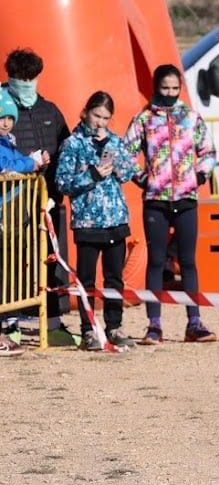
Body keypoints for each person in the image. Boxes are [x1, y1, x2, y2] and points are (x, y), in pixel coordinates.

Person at [123, 64, 218, 345]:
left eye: (175, 88)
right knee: (155, 261)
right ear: (156, 87)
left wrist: (200, 174)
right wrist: (142, 178)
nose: (170, 93)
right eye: (165, 88)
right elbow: (124, 153)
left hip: (186, 197)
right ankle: (154, 325)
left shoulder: (191, 117)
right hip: (156, 199)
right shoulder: (143, 120)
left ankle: (194, 322)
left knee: (187, 261)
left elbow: (208, 151)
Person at [4, 48, 77, 346]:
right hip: (9, 205)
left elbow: (67, 151)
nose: (26, 84)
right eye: (20, 79)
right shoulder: (3, 110)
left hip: (47, 204)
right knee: (10, 261)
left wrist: (56, 193)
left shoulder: (50, 111)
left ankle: (53, 322)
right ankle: (9, 323)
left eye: (31, 79)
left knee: (51, 260)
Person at [54, 91, 135, 351]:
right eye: (96, 115)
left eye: (106, 118)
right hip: (88, 222)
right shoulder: (73, 143)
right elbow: (63, 183)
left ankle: (115, 326)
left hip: (115, 219)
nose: (100, 122)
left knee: (115, 279)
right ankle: (89, 329)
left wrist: (111, 148)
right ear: (86, 112)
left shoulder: (113, 141)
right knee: (86, 280)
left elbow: (126, 174)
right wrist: (92, 175)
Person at [0, 92, 50, 356]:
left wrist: (33, 159)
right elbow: (5, 166)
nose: (6, 122)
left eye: (10, 117)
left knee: (12, 268)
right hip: (4, 213)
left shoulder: (8, 141)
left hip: (13, 215)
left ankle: (10, 322)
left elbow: (14, 161)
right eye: (1, 117)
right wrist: (31, 162)